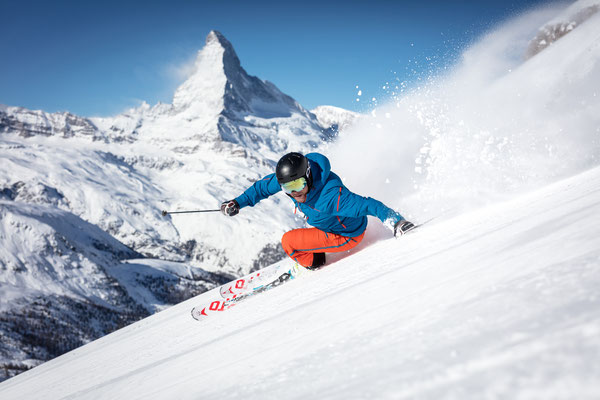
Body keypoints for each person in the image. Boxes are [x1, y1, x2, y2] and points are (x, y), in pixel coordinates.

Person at [220, 152, 415, 269]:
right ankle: (318, 253)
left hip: (346, 234)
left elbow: (369, 205)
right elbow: (261, 188)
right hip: (331, 224)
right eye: (287, 188)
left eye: (297, 185)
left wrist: (397, 222)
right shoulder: (289, 180)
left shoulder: (331, 197)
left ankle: (316, 263)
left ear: (308, 176)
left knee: (288, 242)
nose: (294, 192)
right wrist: (237, 203)